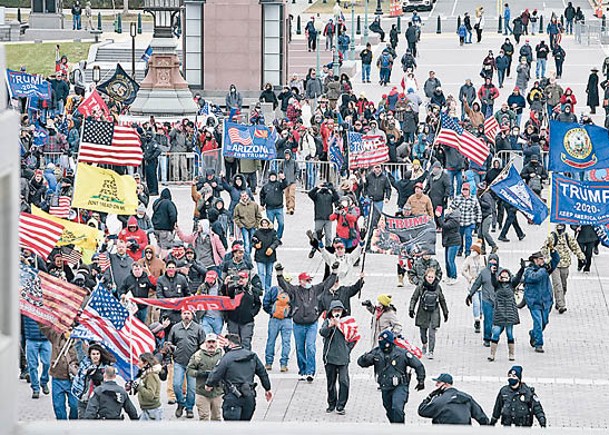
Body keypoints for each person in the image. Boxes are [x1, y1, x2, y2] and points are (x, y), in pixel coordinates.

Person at [275, 262, 338, 382]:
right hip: (298, 324)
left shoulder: (315, 289)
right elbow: (285, 285)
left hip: (311, 324)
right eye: (307, 280)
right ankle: (302, 371)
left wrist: (334, 272)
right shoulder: (294, 290)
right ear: (301, 281)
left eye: (310, 280)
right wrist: (279, 274)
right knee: (299, 348)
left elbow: (326, 284)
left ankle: (310, 371)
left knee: (310, 347)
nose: (309, 282)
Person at [357, 329, 426, 423]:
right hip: (385, 386)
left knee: (397, 408)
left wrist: (421, 380)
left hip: (400, 386)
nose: (380, 341)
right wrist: (365, 358)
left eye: (382, 339)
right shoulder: (377, 352)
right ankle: (394, 426)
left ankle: (400, 429)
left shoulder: (401, 353)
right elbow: (361, 363)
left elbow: (418, 365)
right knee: (389, 410)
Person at [205, 334, 273, 421]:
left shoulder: (227, 358)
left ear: (231, 344)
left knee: (232, 428)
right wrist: (267, 388)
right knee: (245, 426)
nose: (224, 346)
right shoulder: (252, 356)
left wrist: (209, 384)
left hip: (233, 397)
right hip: (249, 396)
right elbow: (263, 373)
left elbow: (216, 373)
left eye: (225, 344)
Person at [167, 309, 206, 418]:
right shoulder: (175, 328)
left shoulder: (198, 329)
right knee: (176, 385)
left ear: (192, 315)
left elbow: (203, 345)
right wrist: (171, 348)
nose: (186, 316)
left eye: (188, 313)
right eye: (184, 314)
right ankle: (181, 403)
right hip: (179, 361)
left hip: (193, 364)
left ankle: (189, 408)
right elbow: (170, 341)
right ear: (181, 315)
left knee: (192, 389)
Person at [319, 300, 354, 415]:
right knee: (331, 382)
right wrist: (331, 326)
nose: (337, 312)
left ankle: (341, 405)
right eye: (335, 310)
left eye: (339, 310)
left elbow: (354, 337)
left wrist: (347, 349)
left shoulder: (347, 322)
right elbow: (322, 333)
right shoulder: (328, 321)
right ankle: (331, 403)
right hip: (330, 357)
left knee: (344, 382)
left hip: (343, 358)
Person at [541, 224, 585, 314]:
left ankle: (559, 300)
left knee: (563, 285)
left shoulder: (568, 237)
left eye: (562, 226)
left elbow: (575, 247)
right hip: (555, 265)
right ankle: (561, 305)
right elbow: (544, 248)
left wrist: (581, 257)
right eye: (558, 226)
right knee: (557, 284)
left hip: (565, 264)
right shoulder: (551, 237)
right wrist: (546, 257)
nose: (560, 228)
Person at [523, 250, 560, 353]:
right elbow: (535, 277)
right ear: (535, 260)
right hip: (534, 301)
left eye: (543, 259)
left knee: (544, 322)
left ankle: (533, 333)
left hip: (546, 301)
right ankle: (538, 344)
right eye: (540, 259)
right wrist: (544, 269)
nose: (543, 261)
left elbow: (556, 261)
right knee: (538, 322)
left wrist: (553, 252)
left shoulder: (545, 269)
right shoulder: (529, 270)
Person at [418, 373, 489, 425]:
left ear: (446, 384)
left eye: (438, 382)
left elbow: (422, 411)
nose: (436, 385)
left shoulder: (439, 401)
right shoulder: (466, 397)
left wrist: (429, 397)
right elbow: (482, 418)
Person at [409, 268, 449, 359]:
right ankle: (424, 343)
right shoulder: (421, 286)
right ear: (425, 277)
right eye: (429, 277)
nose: (430, 278)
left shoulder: (438, 287)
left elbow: (442, 300)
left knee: (432, 332)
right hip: (423, 312)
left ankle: (431, 351)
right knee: (423, 331)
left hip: (434, 312)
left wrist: (445, 312)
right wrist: (411, 309)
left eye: (432, 277)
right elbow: (414, 298)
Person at [187, 333, 224, 421]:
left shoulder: (222, 354)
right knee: (204, 417)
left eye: (213, 342)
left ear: (216, 343)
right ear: (205, 343)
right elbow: (189, 370)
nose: (211, 344)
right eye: (209, 342)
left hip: (217, 392)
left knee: (217, 417)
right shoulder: (198, 355)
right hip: (202, 392)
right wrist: (200, 373)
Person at [467, 253, 499, 346]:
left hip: (498, 300)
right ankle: (487, 338)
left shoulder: (501, 271)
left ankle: (496, 335)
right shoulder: (484, 272)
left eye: (494, 260)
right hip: (487, 300)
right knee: (488, 320)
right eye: (491, 260)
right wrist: (470, 294)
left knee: (498, 320)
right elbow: (477, 284)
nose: (492, 262)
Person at [488, 268, 520, 362]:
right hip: (499, 313)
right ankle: (492, 354)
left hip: (510, 313)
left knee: (510, 334)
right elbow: (493, 280)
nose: (505, 277)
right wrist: (493, 273)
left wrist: (521, 268)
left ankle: (511, 354)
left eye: (507, 276)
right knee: (496, 333)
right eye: (503, 276)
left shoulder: (511, 285)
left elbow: (518, 278)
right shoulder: (497, 286)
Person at [134, 352, 163, 421]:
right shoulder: (145, 374)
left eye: (139, 361)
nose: (138, 363)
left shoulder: (151, 376)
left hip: (152, 411)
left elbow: (150, 395)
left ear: (146, 362)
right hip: (147, 409)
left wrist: (138, 387)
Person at [438, 206, 461, 285]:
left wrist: (439, 217)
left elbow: (444, 226)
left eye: (450, 209)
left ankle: (454, 277)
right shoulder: (449, 218)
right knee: (447, 261)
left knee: (450, 260)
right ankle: (448, 276)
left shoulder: (454, 220)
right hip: (448, 241)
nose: (447, 210)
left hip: (454, 242)